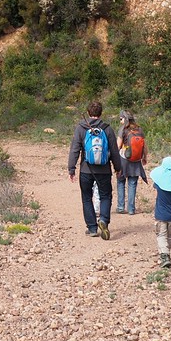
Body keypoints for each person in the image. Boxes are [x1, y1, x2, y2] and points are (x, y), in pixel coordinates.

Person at [68, 101, 120, 239]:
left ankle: (92, 228)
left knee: (86, 197)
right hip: (104, 170)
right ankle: (103, 220)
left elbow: (75, 149)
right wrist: (118, 168)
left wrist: (71, 168)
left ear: (88, 112)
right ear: (101, 113)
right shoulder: (107, 129)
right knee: (105, 196)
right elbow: (114, 151)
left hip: (86, 169)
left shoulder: (81, 128)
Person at [149, 156, 171, 269]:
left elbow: (154, 184)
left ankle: (165, 255)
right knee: (170, 234)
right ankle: (167, 251)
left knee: (161, 235)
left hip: (160, 215)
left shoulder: (159, 183)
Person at [115, 110, 148, 214]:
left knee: (120, 181)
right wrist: (144, 157)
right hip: (136, 160)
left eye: (121, 119)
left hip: (124, 159)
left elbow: (118, 146)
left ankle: (121, 207)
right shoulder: (139, 129)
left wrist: (114, 159)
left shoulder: (123, 129)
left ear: (125, 119)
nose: (120, 121)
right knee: (132, 183)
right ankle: (131, 209)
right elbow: (145, 145)